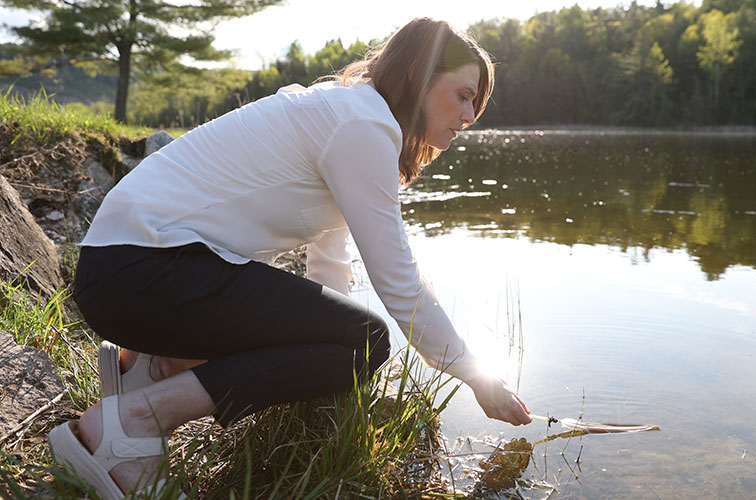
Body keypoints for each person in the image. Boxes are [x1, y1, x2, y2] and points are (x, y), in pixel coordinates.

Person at [48, 17, 533, 499]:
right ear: (417, 77)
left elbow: (330, 265)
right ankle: (133, 422)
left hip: (128, 271)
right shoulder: (363, 126)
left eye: (477, 102)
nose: (470, 115)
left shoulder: (348, 115)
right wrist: (475, 375)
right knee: (369, 338)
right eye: (464, 95)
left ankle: (152, 372)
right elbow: (400, 284)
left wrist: (338, 362)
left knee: (354, 340)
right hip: (142, 271)